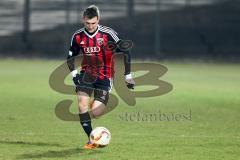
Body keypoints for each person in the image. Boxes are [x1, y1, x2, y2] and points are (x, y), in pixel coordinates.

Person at [67, 5, 135, 149]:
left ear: (98, 20)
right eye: (87, 23)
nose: (90, 26)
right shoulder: (78, 36)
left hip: (105, 75)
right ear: (83, 20)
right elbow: (70, 57)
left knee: (96, 113)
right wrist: (74, 75)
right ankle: (92, 140)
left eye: (93, 23)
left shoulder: (108, 33)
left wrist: (128, 76)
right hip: (87, 74)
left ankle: (95, 104)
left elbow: (126, 52)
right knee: (81, 105)